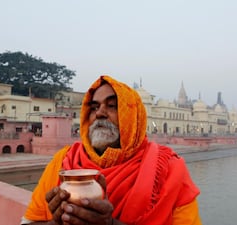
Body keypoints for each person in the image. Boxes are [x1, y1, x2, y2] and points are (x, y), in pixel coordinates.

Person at [21, 75, 201, 225]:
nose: (100, 113)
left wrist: (110, 223)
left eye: (112, 106)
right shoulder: (64, 161)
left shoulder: (169, 169)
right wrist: (58, 222)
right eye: (94, 107)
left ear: (133, 117)